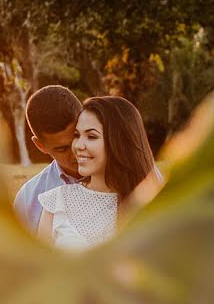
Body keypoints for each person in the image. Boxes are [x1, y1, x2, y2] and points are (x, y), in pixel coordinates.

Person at [37, 95, 160, 251]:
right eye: (77, 135)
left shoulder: (150, 204)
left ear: (119, 141)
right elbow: (41, 270)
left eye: (91, 136)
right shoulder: (56, 202)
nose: (79, 145)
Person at [13, 85, 84, 233]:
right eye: (62, 149)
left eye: (77, 138)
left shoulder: (125, 178)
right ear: (40, 145)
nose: (75, 153)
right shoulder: (28, 199)